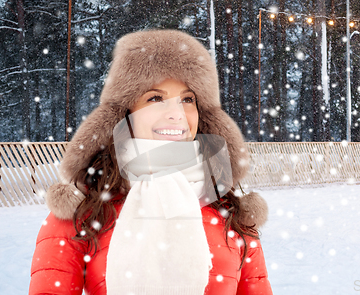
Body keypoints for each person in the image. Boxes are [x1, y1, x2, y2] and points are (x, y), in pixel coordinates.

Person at [29, 29, 272, 295]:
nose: (176, 114)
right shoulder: (83, 210)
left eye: (188, 100)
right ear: (124, 112)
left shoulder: (230, 211)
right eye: (155, 98)